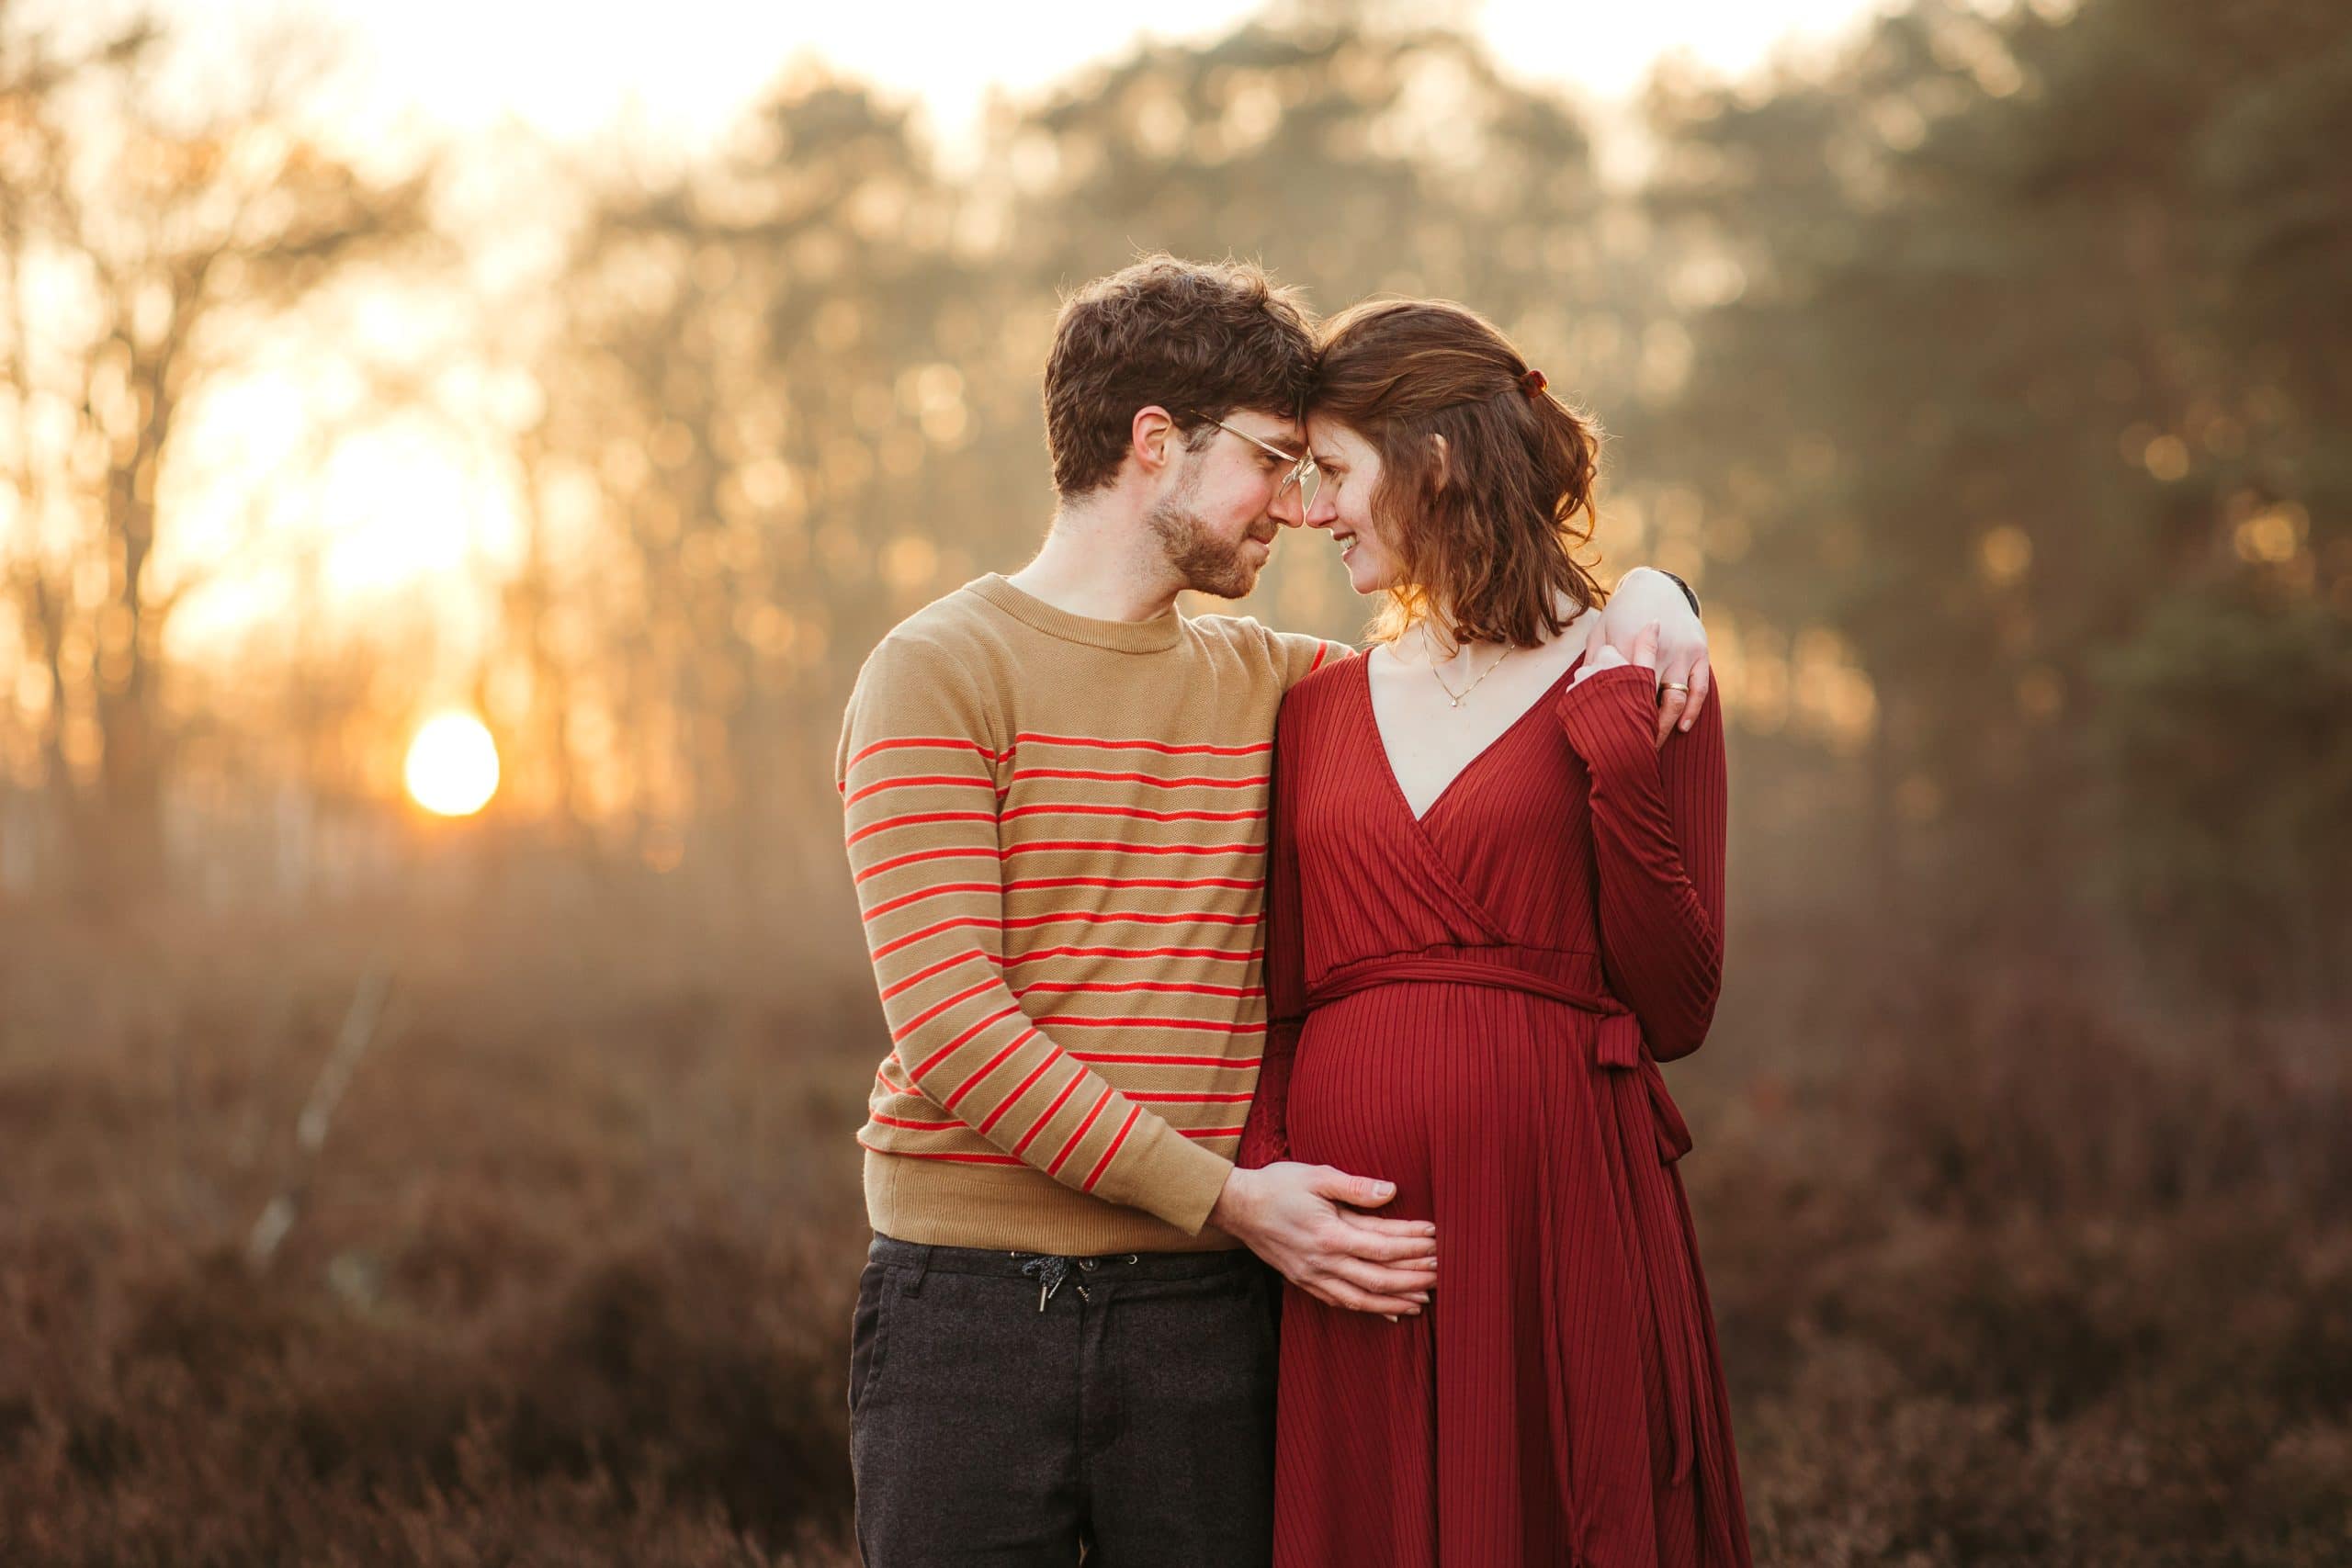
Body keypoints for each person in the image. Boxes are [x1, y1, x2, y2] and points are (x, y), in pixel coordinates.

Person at [834, 256, 1713, 1566]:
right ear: (1154, 446)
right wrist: (1230, 1196)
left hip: (1207, 1313)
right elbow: (957, 1030)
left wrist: (1654, 595)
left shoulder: (1280, 685)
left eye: (1319, 473)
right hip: (973, 1312)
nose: (1300, 511)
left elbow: (1484, 674)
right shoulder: (938, 671)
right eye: (1272, 461)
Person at [1236, 295, 1751, 1566]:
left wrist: (1622, 753)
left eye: (1334, 473)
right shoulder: (1316, 704)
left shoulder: (1643, 673)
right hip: (1355, 1250)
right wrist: (1270, 1191)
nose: (1307, 511)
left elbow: (1678, 1008)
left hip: (1561, 1221)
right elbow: (1281, 999)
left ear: (1440, 460)